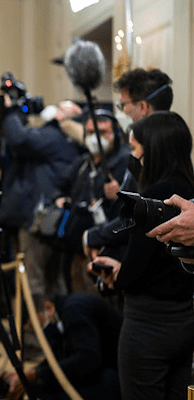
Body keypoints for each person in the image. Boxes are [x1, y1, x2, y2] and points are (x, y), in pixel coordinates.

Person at [89, 111, 194, 400]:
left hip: (148, 325)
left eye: (135, 149)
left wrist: (114, 271)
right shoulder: (191, 193)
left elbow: (133, 271)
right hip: (187, 322)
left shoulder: (151, 198)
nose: (132, 157)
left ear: (153, 150)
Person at [83, 68, 174, 258]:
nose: (123, 111)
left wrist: (93, 237)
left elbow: (137, 218)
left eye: (124, 104)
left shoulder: (153, 151)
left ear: (142, 107)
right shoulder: (164, 141)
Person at [0, 99, 80, 304]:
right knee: (53, 279)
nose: (56, 111)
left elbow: (20, 139)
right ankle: (54, 329)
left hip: (39, 220)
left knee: (33, 279)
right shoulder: (67, 141)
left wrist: (10, 112)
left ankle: (37, 332)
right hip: (52, 219)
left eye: (63, 110)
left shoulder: (56, 136)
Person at [2, 292, 123, 400]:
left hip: (120, 381)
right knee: (39, 380)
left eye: (36, 325)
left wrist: (37, 374)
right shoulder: (66, 308)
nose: (38, 331)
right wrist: (30, 373)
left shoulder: (72, 309)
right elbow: (60, 356)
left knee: (42, 386)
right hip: (111, 371)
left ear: (47, 307)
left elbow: (88, 358)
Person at [53, 112, 129, 291]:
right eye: (91, 133)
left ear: (115, 134)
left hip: (105, 246)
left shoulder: (124, 163)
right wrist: (60, 199)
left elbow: (132, 210)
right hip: (76, 244)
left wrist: (119, 194)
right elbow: (60, 186)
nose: (96, 138)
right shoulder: (82, 163)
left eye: (102, 133)